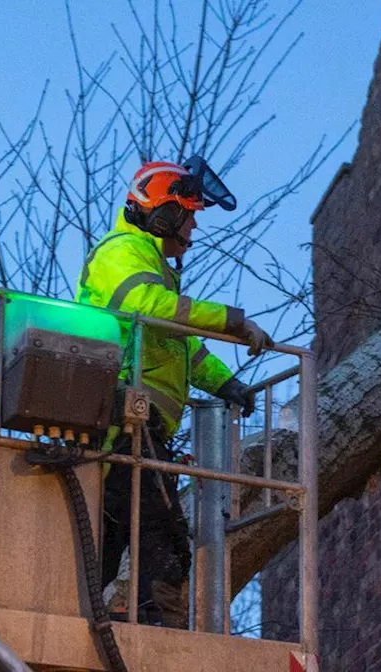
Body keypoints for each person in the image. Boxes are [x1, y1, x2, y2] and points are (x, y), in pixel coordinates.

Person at [75, 157, 273, 626]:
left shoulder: (154, 267)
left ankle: (94, 613)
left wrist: (225, 382)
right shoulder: (120, 251)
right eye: (188, 215)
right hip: (121, 417)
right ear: (163, 215)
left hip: (136, 424)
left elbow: (181, 349)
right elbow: (146, 306)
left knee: (113, 535)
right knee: (160, 530)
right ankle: (151, 622)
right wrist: (232, 320)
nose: (193, 228)